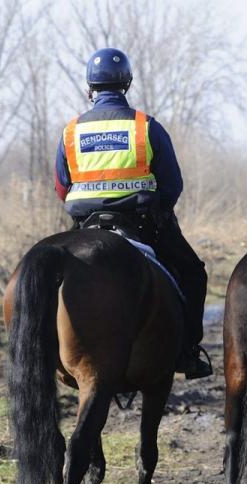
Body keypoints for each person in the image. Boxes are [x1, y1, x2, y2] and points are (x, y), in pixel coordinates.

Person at [54, 48, 211, 379]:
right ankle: (187, 352)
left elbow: (61, 186)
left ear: (89, 88)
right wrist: (159, 212)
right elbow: (172, 184)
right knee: (194, 274)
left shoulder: (71, 132)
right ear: (126, 84)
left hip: (85, 225)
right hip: (141, 224)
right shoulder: (146, 127)